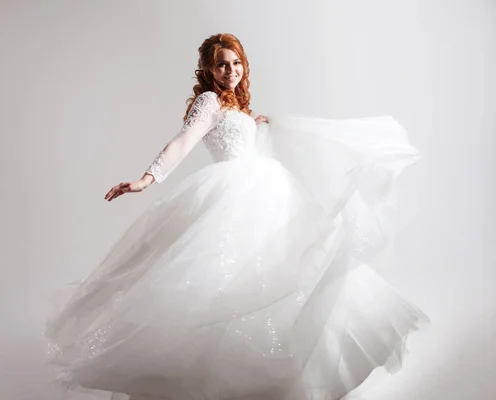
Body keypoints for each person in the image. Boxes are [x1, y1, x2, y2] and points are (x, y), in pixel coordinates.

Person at [44, 33, 428, 400]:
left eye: (236, 63)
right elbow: (183, 140)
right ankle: (209, 378)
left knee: (277, 271)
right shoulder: (209, 102)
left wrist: (256, 123)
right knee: (223, 280)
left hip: (264, 189)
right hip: (232, 192)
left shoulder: (236, 106)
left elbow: (241, 136)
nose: (230, 71)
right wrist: (148, 178)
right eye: (221, 65)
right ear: (209, 71)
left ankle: (258, 376)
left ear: (244, 65)